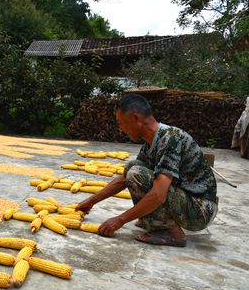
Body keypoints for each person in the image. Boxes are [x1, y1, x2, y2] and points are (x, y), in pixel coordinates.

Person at [76, 93, 218, 247]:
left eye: (120, 122)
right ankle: (154, 220)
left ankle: (172, 232)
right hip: (186, 199)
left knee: (137, 174)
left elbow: (158, 195)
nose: (120, 128)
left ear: (135, 118)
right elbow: (124, 179)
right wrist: (91, 201)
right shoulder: (151, 142)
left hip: (200, 209)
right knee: (132, 167)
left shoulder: (171, 138)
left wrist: (120, 220)